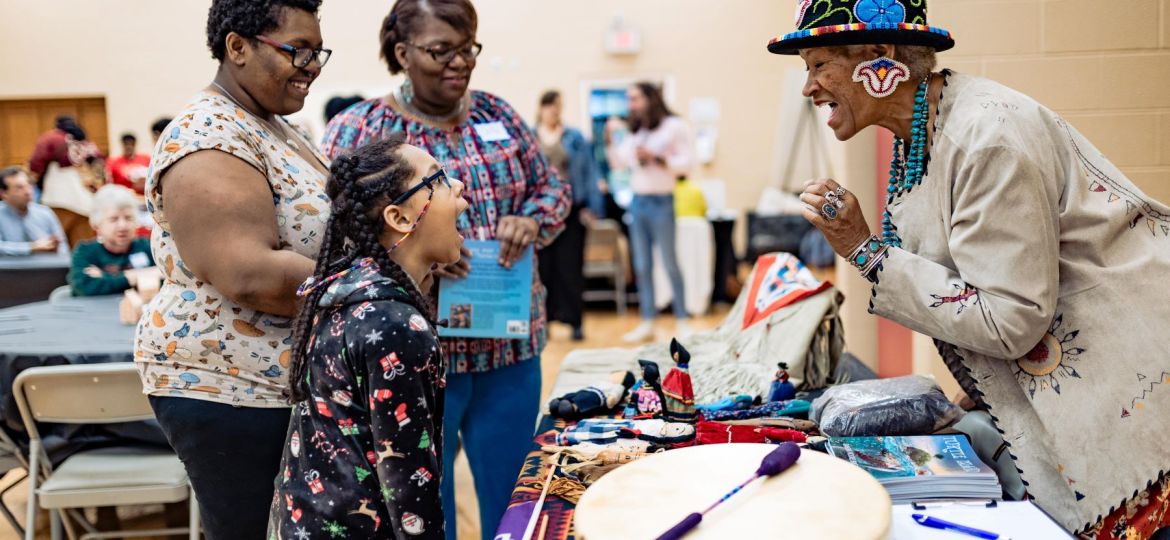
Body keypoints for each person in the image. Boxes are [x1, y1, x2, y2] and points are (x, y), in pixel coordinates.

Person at [771, 1, 1170, 537]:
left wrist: (866, 250)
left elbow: (1011, 319)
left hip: (1133, 400)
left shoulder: (986, 138)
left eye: (819, 65)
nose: (809, 88)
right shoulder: (926, 133)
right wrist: (981, 391)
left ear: (880, 55)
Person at [321, 2, 569, 537]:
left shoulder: (499, 116)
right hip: (416, 352)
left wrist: (531, 218)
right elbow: (336, 227)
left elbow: (552, 189)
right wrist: (419, 258)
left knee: (516, 494)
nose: (459, 62)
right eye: (441, 51)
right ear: (403, 52)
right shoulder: (363, 128)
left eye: (467, 48)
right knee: (424, 501)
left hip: (509, 348)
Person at [133, 0, 331, 538]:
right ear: (237, 47)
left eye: (319, 52)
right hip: (234, 388)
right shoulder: (207, 134)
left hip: (280, 383)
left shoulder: (275, 125)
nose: (312, 65)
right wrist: (376, 286)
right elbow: (252, 275)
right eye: (298, 50)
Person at [270, 137, 467, 539]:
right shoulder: (395, 325)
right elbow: (409, 485)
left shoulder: (346, 288)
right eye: (439, 179)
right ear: (400, 217)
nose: (459, 186)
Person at [607, 82, 693, 343]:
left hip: (662, 202)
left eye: (635, 98)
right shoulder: (636, 131)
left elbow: (687, 164)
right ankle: (648, 321)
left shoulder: (674, 126)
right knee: (642, 266)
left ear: (650, 99)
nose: (630, 104)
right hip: (638, 202)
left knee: (670, 262)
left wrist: (657, 158)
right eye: (629, 99)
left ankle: (682, 319)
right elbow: (619, 163)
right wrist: (610, 138)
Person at [534, 89, 603, 341]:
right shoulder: (531, 136)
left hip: (570, 211)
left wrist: (592, 207)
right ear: (542, 108)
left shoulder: (574, 137)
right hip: (540, 212)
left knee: (571, 268)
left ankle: (575, 321)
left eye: (558, 106)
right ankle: (545, 322)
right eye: (551, 106)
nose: (555, 111)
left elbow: (590, 171)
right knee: (543, 270)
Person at [29, 115, 104, 247]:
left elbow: (35, 164)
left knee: (55, 245)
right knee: (81, 247)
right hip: (85, 202)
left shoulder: (52, 138)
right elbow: (100, 166)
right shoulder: (86, 142)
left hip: (58, 197)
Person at [69, 185, 155, 296]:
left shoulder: (147, 246)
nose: (122, 226)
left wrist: (105, 277)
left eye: (128, 218)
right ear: (97, 225)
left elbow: (167, 279)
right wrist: (141, 275)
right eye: (113, 219)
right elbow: (84, 287)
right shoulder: (85, 251)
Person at [0, 166, 67, 256]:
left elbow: (63, 248)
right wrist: (31, 247)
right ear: (4, 193)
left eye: (28, 185)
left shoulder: (45, 213)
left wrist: (55, 248)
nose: (27, 192)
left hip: (45, 264)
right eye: (19, 188)